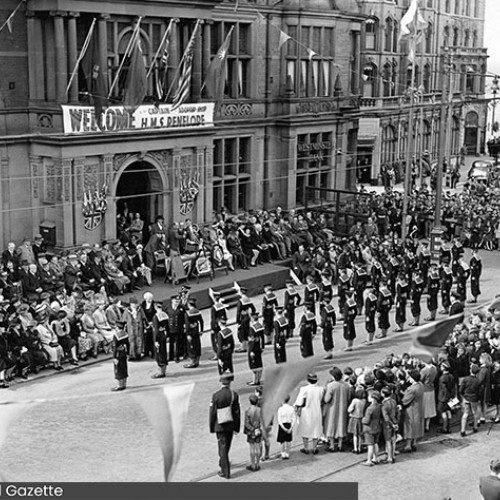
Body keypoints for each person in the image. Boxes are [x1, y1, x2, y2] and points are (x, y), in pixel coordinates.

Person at [209, 372, 241, 480]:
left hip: (220, 425)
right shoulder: (234, 395)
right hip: (230, 424)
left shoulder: (216, 395)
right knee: (227, 445)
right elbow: (237, 413)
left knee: (222, 447)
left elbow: (212, 413)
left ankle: (225, 471)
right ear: (230, 382)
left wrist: (211, 426)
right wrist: (237, 427)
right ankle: (223, 462)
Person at [294, 373, 324, 455]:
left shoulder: (304, 389)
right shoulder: (320, 389)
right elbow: (321, 399)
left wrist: (296, 406)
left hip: (306, 411)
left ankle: (306, 447)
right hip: (317, 410)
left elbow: (299, 401)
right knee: (316, 429)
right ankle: (314, 447)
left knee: (305, 428)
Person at [323, 366, 351, 453]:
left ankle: (331, 445)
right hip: (343, 407)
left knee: (330, 425)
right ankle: (340, 445)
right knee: (341, 424)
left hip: (332, 408)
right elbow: (349, 398)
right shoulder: (346, 386)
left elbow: (327, 399)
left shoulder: (330, 386)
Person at [401, 369, 424, 453]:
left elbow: (405, 400)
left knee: (410, 427)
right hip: (418, 407)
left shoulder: (411, 389)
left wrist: (402, 392)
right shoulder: (421, 385)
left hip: (411, 409)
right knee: (416, 426)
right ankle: (414, 443)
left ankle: (408, 446)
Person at [460, 364, 482, 437]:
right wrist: (478, 398)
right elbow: (480, 392)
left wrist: (463, 395)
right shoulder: (478, 381)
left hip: (466, 398)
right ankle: (475, 427)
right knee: (474, 413)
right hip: (474, 399)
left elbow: (461, 389)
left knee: (465, 414)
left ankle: (463, 430)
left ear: (470, 370)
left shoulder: (466, 379)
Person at [361, 390, 383, 466]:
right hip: (377, 427)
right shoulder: (380, 406)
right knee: (376, 443)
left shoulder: (369, 408)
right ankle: (375, 458)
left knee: (370, 445)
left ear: (373, 398)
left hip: (369, 428)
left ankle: (369, 460)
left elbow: (366, 420)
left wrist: (362, 419)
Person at [243, 394, 263, 472]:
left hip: (251, 432)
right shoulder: (260, 410)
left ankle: (253, 465)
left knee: (252, 448)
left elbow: (246, 423)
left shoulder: (247, 410)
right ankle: (257, 464)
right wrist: (257, 429)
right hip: (258, 431)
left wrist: (252, 429)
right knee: (258, 447)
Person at [184, 298, 204, 369]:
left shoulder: (188, 313)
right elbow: (201, 321)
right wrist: (201, 330)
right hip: (196, 331)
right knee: (197, 345)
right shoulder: (198, 311)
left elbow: (187, 325)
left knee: (191, 347)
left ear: (189, 304)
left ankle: (193, 362)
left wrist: (188, 334)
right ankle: (197, 361)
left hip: (191, 332)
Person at [381, 386, 399, 464]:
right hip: (395, 421)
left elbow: (386, 417)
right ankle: (393, 454)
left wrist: (391, 424)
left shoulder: (384, 404)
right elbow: (397, 412)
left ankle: (389, 457)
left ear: (383, 394)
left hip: (388, 424)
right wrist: (396, 422)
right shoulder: (394, 401)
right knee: (393, 440)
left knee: (388, 441)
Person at [436, 362, 456, 434]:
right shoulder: (451, 376)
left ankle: (444, 428)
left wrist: (447, 397)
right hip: (451, 397)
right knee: (448, 411)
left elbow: (444, 389)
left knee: (442, 411)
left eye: (441, 366)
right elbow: (453, 388)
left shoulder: (442, 378)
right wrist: (452, 397)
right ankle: (448, 427)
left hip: (443, 398)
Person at [151, 302, 169, 379]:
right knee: (163, 353)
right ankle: (164, 370)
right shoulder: (165, 315)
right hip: (163, 335)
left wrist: (155, 340)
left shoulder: (156, 317)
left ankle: (161, 372)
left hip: (158, 336)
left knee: (159, 355)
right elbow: (167, 326)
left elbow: (156, 330)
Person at [347, 386, 367, 454]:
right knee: (360, 435)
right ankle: (359, 447)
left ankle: (355, 448)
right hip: (361, 418)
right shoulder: (364, 400)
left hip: (354, 418)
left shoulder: (355, 401)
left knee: (355, 435)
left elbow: (349, 409)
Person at [277, 395, 296, 459]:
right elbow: (294, 419)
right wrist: (291, 427)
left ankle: (282, 453)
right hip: (289, 424)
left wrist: (283, 428)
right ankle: (287, 453)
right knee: (288, 440)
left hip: (283, 425)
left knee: (282, 441)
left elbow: (279, 420)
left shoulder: (280, 409)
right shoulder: (291, 408)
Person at [111, 322, 129, 391]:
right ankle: (124, 384)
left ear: (117, 327)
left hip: (118, 353)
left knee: (118, 369)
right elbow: (128, 344)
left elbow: (115, 347)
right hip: (123, 352)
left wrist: (114, 357)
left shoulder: (116, 336)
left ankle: (119, 385)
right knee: (124, 368)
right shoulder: (125, 334)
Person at [247, 313, 264, 386]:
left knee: (253, 365)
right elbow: (262, 338)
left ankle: (255, 381)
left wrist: (251, 350)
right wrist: (262, 347)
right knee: (259, 363)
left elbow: (252, 340)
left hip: (253, 348)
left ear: (252, 319)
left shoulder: (252, 328)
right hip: (258, 348)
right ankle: (258, 379)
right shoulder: (260, 326)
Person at [210, 293, 227, 361]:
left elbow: (213, 319)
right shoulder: (222, 306)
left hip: (216, 326)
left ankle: (217, 354)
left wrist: (212, 328)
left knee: (215, 340)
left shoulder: (213, 308)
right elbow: (225, 316)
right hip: (221, 324)